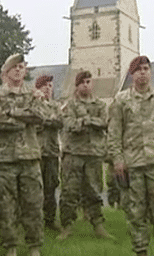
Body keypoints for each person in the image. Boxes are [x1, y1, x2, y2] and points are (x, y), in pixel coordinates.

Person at [108, 56, 154, 256]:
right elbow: (114, 133)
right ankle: (141, 251)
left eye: (146, 68)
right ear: (132, 74)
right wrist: (117, 159)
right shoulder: (121, 100)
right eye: (138, 69)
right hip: (132, 166)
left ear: (150, 72)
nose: (143, 72)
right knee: (135, 214)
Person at [0, 53, 45, 256]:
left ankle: (34, 246)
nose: (19, 70)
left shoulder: (34, 94)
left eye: (21, 67)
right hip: (2, 158)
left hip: (29, 156)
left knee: (33, 203)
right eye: (14, 67)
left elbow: (40, 116)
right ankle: (11, 247)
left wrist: (11, 113)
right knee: (5, 205)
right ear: (5, 72)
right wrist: (24, 117)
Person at [57, 71, 113, 241]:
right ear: (77, 85)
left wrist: (85, 120)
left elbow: (105, 123)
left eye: (89, 81)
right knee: (69, 192)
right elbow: (69, 124)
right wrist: (88, 121)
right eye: (83, 82)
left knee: (94, 191)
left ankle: (98, 225)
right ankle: (67, 226)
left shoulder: (100, 105)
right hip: (73, 154)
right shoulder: (70, 105)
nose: (86, 85)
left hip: (93, 154)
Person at [35, 74, 64, 231]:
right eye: (44, 85)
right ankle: (35, 221)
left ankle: (50, 219)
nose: (48, 88)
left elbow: (60, 122)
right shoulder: (34, 104)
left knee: (51, 187)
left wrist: (47, 120)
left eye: (50, 85)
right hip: (37, 151)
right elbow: (35, 122)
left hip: (52, 152)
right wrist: (49, 120)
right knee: (35, 188)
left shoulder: (55, 106)